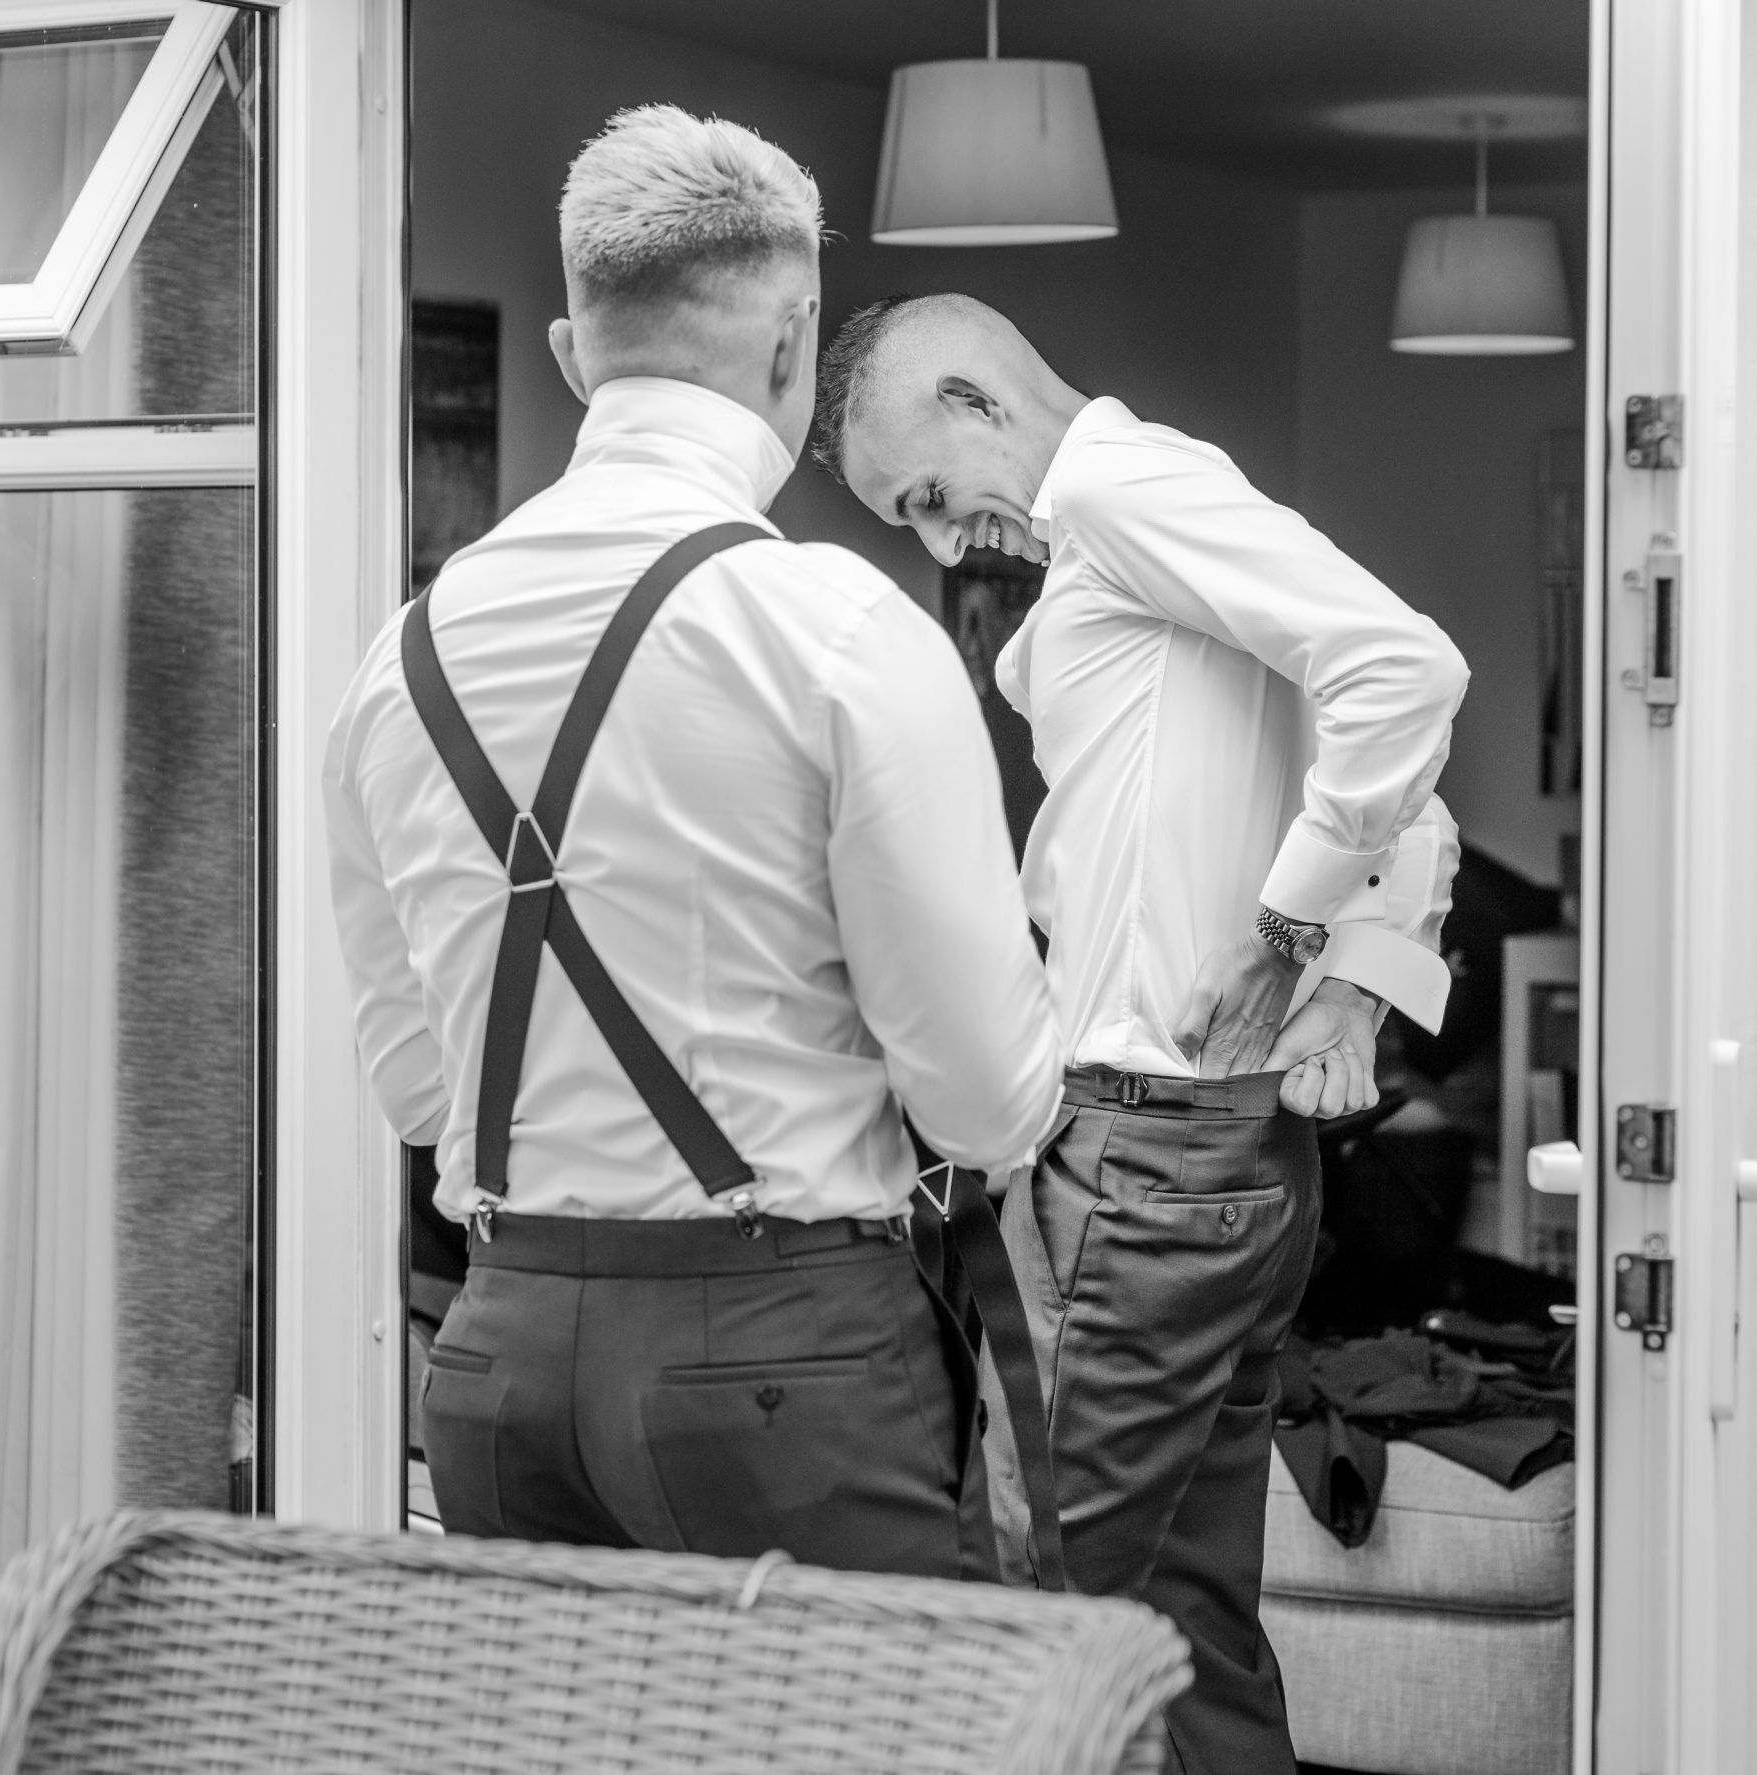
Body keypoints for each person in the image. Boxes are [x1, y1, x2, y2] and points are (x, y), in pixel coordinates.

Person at [324, 112, 1060, 1576]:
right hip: (787, 1367)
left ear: (570, 354)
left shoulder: (396, 667)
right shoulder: (841, 632)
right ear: (795, 344)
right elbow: (986, 1108)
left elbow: (416, 1091)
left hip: (503, 1367)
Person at [814, 293, 1467, 1773]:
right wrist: (1357, 965)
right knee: (1189, 1635)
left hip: (1147, 1169)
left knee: (1027, 1619)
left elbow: (1406, 671)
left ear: (977, 400)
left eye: (928, 496)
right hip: (1217, 1168)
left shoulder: (1118, 490)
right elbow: (1410, 787)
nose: (945, 545)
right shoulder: (1148, 516)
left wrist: (1290, 933)